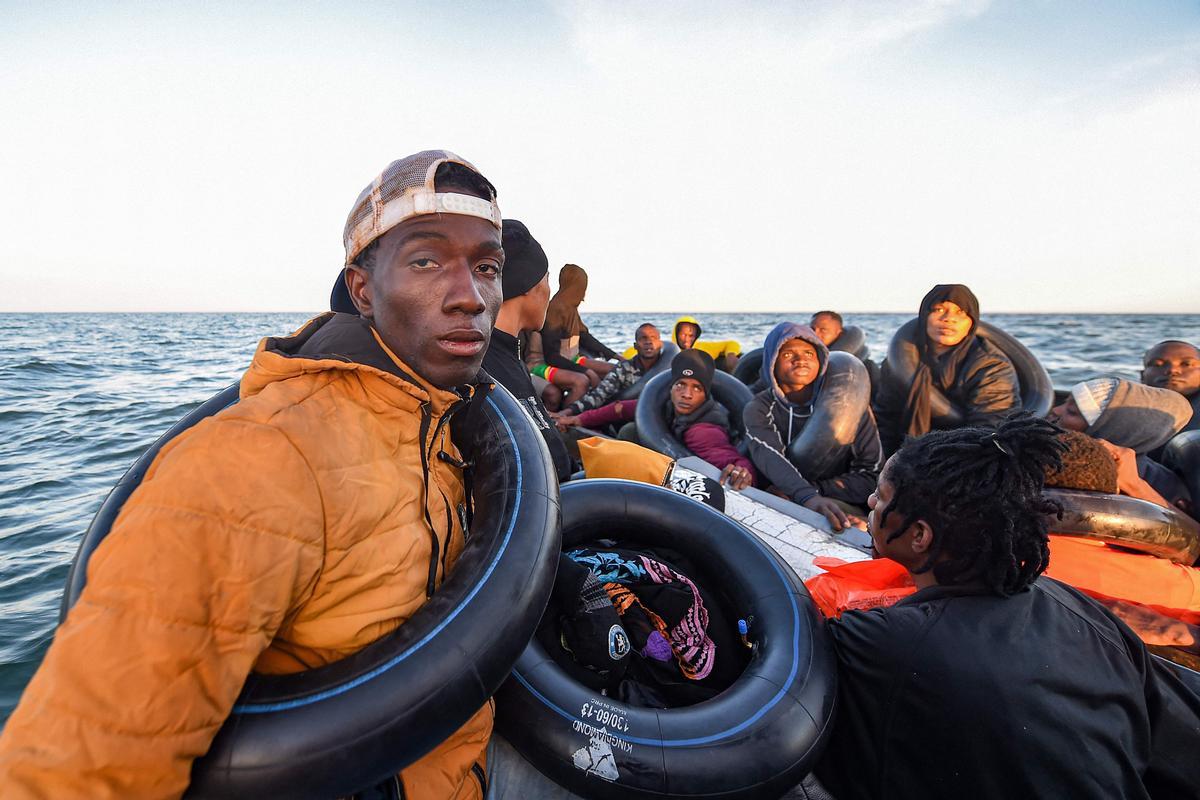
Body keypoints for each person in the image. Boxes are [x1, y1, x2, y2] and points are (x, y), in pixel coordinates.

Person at [0, 151, 505, 799]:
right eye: (426, 261)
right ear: (362, 291)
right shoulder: (259, 457)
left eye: (485, 267)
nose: (469, 296)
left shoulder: (435, 428)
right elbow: (80, 766)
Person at [815, 415, 1200, 800]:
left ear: (919, 536)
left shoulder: (878, 639)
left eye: (881, 496)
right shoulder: (1078, 607)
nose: (869, 501)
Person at [744, 323, 881, 531]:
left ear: (821, 360)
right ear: (771, 362)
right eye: (788, 354)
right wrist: (806, 496)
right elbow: (770, 457)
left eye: (809, 353)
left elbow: (872, 474)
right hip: (781, 497)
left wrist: (815, 492)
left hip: (836, 498)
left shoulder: (848, 405)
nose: (800, 360)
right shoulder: (759, 408)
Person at [873, 284, 1020, 456]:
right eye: (938, 309)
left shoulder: (992, 367)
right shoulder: (899, 363)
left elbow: (989, 433)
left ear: (971, 322)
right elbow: (885, 419)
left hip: (967, 455)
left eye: (960, 312)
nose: (949, 318)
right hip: (908, 450)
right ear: (924, 316)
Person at [481, 219, 572, 483]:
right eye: (547, 279)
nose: (549, 290)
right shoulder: (486, 363)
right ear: (529, 287)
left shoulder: (507, 352)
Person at [1048, 377, 1193, 513]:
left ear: (1112, 430)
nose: (1056, 410)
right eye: (1066, 402)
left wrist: (1134, 486)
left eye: (1072, 412)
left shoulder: (1166, 488)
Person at [664, 350, 755, 488]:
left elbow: (735, 461)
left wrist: (742, 473)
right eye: (680, 384)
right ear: (671, 388)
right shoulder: (667, 406)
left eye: (696, 388)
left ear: (705, 395)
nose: (686, 394)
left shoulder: (702, 432)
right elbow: (637, 406)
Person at [553, 323, 665, 420]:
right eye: (643, 338)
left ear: (660, 344)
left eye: (653, 338)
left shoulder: (668, 367)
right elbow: (599, 395)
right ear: (635, 346)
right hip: (631, 416)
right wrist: (566, 413)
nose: (649, 342)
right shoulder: (624, 369)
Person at [538, 264, 620, 380]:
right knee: (588, 379)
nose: (583, 297)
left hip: (572, 358)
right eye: (581, 290)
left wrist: (616, 356)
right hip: (558, 363)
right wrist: (585, 371)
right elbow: (552, 357)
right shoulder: (555, 310)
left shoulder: (571, 310)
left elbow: (585, 337)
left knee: (616, 370)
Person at [1142, 340, 1200, 435]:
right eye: (1158, 364)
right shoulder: (1121, 409)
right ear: (1142, 376)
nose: (1172, 370)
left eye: (1186, 364)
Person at [672, 315, 740, 372]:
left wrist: (731, 354)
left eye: (691, 336)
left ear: (696, 336)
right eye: (683, 335)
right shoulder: (669, 352)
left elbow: (731, 343)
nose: (687, 339)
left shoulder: (703, 348)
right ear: (676, 334)